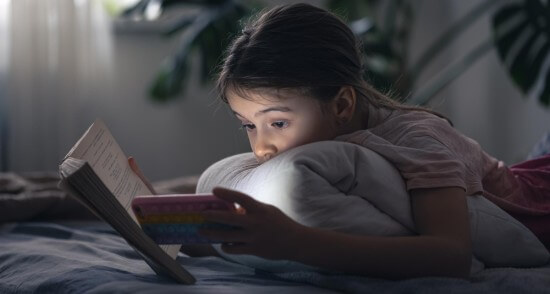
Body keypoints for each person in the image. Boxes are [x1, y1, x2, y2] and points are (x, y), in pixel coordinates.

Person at [131, 3, 550, 279]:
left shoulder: (417, 140)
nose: (261, 148)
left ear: (342, 104)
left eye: (276, 123)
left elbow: (452, 256)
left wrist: (294, 243)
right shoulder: (327, 142)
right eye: (248, 125)